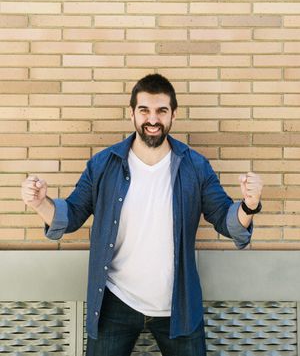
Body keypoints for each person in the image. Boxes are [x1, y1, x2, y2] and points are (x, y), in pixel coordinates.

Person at [21, 73, 263, 356]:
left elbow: (225, 218)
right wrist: (40, 203)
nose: (152, 119)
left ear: (173, 114)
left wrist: (248, 204)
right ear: (132, 114)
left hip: (178, 306)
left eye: (161, 110)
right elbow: (72, 214)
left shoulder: (195, 166)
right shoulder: (104, 164)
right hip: (114, 302)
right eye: (144, 110)